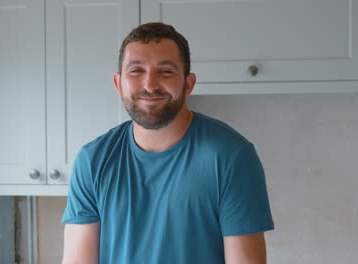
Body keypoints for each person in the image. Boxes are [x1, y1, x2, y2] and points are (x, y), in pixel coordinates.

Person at [61, 22, 274, 264]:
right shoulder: (93, 161)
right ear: (118, 83)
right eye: (136, 70)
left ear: (188, 83)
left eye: (166, 71)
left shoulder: (230, 157)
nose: (150, 85)